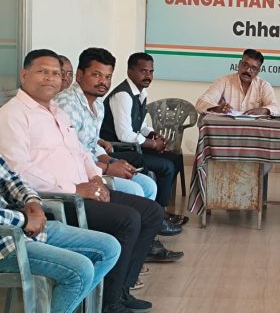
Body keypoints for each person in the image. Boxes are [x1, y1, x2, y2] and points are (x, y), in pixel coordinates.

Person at [0, 49, 163, 313]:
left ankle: (121, 290)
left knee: (151, 212)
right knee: (128, 220)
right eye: (42, 72)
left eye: (55, 73)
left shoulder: (56, 111)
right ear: (24, 75)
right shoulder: (13, 115)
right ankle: (109, 303)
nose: (50, 78)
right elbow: (18, 173)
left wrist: (96, 178)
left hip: (84, 189)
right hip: (57, 200)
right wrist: (75, 188)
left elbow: (80, 152)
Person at [54, 48, 183, 264]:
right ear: (80, 75)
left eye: (107, 77)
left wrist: (112, 160)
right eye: (96, 75)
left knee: (149, 183)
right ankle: (135, 247)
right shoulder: (67, 104)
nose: (103, 82)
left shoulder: (97, 103)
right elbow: (72, 155)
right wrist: (107, 167)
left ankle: (145, 244)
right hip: (81, 175)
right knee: (137, 188)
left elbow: (91, 145)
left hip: (97, 162)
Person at [0, 156, 120, 313]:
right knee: (80, 271)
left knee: (109, 247)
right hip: (5, 244)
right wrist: (24, 219)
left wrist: (32, 202)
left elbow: (12, 180)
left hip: (24, 228)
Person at [100, 52, 186, 235]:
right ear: (130, 71)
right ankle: (158, 216)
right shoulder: (123, 95)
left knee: (175, 159)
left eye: (151, 72)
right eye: (143, 71)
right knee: (166, 166)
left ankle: (161, 209)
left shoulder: (140, 93)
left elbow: (141, 126)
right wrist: (153, 145)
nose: (148, 76)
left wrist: (154, 135)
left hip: (133, 146)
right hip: (117, 150)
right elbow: (125, 134)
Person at [195, 48, 280, 115]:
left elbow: (276, 108)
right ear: (239, 64)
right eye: (245, 65)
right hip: (226, 129)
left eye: (253, 68)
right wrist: (216, 108)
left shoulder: (263, 85)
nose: (247, 70)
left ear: (258, 71)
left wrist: (264, 110)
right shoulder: (223, 81)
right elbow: (201, 103)